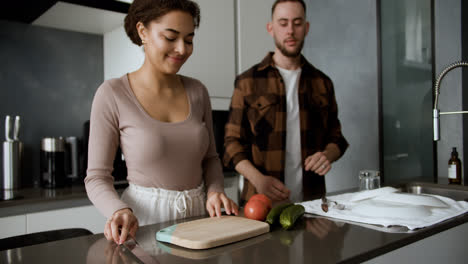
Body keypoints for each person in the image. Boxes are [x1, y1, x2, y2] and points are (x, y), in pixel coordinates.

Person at [85, 0, 238, 245]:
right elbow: (96, 177)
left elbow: (210, 159)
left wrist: (215, 191)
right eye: (170, 37)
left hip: (200, 222)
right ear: (143, 32)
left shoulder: (198, 91)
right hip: (142, 223)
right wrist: (118, 210)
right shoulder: (112, 93)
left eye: (189, 40)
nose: (182, 49)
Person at [223, 0, 348, 204]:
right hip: (261, 204)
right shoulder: (247, 82)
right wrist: (258, 180)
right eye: (283, 23)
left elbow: (337, 138)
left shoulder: (323, 83)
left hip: (312, 205)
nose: (290, 30)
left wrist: (327, 155)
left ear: (306, 28)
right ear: (270, 29)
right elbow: (231, 144)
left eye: (297, 23)